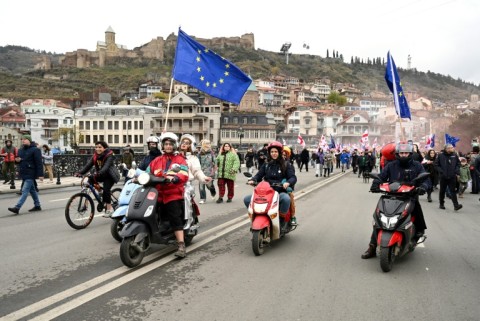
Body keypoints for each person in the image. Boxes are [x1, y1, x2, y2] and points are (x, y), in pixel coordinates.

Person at [361, 143, 430, 259]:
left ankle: (419, 231)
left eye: (406, 153)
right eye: (401, 153)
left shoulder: (417, 165)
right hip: (390, 196)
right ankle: (372, 246)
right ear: (397, 154)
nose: (403, 155)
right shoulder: (391, 165)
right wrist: (375, 184)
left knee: (417, 211)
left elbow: (425, 179)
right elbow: (381, 176)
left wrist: (423, 187)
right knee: (377, 219)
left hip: (410, 196)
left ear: (410, 154)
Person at [147, 132, 189, 258]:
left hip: (172, 193)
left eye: (170, 144)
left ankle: (181, 244)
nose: (168, 146)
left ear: (175, 145)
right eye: (166, 144)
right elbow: (148, 171)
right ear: (162, 146)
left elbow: (184, 173)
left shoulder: (180, 159)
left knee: (175, 217)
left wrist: (176, 178)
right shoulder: (157, 160)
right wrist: (137, 177)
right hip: (157, 193)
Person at [244, 141, 298, 224]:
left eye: (276, 152)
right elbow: (259, 175)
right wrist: (253, 180)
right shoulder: (266, 164)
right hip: (266, 192)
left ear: (279, 152)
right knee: (247, 199)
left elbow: (293, 177)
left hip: (280, 191)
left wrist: (288, 182)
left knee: (286, 199)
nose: (274, 153)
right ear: (269, 153)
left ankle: (281, 220)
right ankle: (256, 217)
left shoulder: (286, 164)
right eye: (272, 152)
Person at [76, 141, 120, 217]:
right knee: (90, 181)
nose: (97, 149)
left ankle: (109, 210)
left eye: (100, 147)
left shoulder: (109, 155)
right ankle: (99, 192)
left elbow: (106, 167)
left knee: (106, 190)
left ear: (104, 148)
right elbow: (88, 166)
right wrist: (80, 173)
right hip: (101, 174)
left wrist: (98, 173)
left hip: (110, 176)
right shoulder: (95, 156)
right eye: (96, 147)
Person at [8, 135, 44, 214]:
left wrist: (40, 174)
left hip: (31, 172)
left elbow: (39, 163)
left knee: (24, 191)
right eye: (22, 139)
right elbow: (19, 161)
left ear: (29, 140)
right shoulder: (21, 150)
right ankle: (37, 205)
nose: (23, 140)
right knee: (32, 190)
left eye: (25, 139)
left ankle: (17, 207)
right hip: (24, 172)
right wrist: (17, 161)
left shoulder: (35, 150)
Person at [179, 134, 212, 203]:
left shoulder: (193, 158)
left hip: (186, 185)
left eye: (187, 143)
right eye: (183, 142)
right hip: (172, 184)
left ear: (190, 146)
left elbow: (197, 171)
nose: (184, 144)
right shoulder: (174, 155)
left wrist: (203, 178)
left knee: (187, 207)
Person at [434, 144, 462, 211]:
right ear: (447, 149)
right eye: (451, 148)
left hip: (452, 176)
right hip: (443, 177)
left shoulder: (454, 155)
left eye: (452, 147)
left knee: (453, 191)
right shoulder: (440, 155)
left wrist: (456, 171)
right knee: (442, 191)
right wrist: (441, 171)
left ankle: (456, 205)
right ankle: (441, 204)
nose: (453, 149)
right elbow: (436, 165)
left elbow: (458, 164)